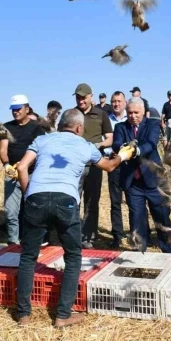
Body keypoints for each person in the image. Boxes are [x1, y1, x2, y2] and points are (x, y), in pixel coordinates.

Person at [14, 109, 135, 328]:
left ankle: (24, 315)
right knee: (72, 257)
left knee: (28, 256)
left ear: (61, 124)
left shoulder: (41, 140)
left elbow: (22, 167)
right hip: (65, 200)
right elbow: (108, 166)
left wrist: (27, 194)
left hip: (36, 198)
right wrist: (124, 154)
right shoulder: (85, 145)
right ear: (79, 128)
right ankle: (62, 315)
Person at [113, 97, 171, 253]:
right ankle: (139, 253)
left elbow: (150, 144)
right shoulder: (121, 127)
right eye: (129, 112)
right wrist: (124, 148)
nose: (133, 116)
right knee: (137, 219)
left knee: (161, 215)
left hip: (153, 180)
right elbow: (116, 143)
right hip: (132, 182)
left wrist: (135, 150)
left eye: (136, 112)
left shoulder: (152, 124)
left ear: (143, 112)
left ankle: (169, 250)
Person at [0, 94, 46, 245]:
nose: (15, 112)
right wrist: (6, 165)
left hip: (32, 174)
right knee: (11, 211)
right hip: (12, 174)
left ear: (27, 108)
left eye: (18, 109)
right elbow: (3, 150)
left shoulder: (37, 128)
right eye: (13, 109)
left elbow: (41, 151)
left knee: (33, 209)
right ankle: (13, 242)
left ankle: (32, 240)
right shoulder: (5, 127)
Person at [73, 83, 113, 249]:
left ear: (91, 96)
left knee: (92, 201)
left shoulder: (101, 114)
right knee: (73, 200)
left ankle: (88, 237)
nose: (81, 100)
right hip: (75, 165)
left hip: (95, 164)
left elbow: (110, 138)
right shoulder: (72, 114)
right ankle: (72, 235)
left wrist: (99, 145)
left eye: (83, 97)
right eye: (78, 97)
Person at [106, 91, 128, 248]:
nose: (116, 104)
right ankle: (117, 236)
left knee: (136, 200)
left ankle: (140, 232)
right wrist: (110, 152)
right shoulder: (107, 121)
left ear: (124, 102)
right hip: (113, 163)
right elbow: (104, 142)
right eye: (114, 101)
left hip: (131, 165)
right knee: (115, 201)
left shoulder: (133, 117)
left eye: (119, 101)